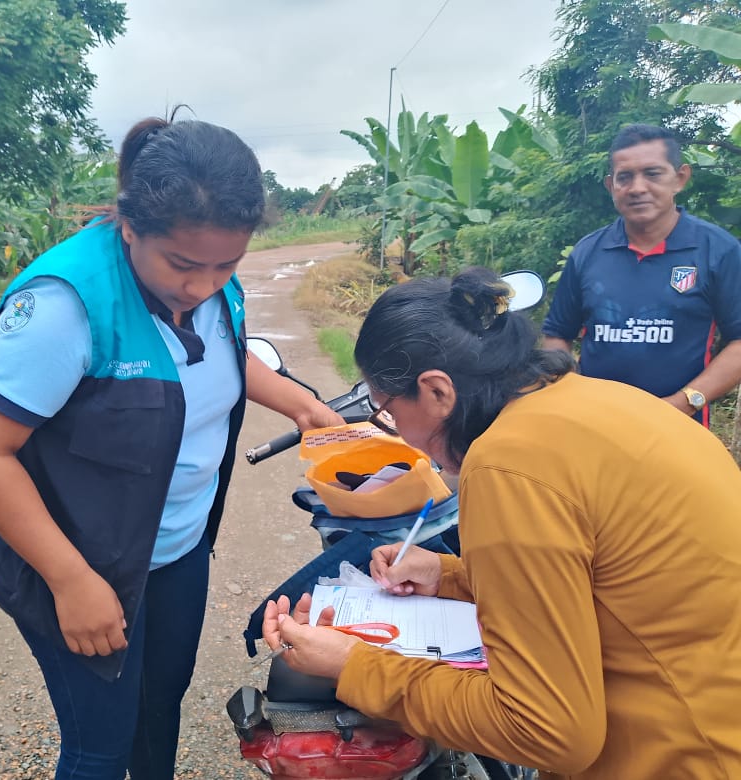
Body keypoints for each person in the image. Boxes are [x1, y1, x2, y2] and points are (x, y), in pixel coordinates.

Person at [0, 115, 343, 780]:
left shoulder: (214, 282)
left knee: (160, 709)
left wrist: (303, 405)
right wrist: (71, 581)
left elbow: (225, 353)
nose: (203, 285)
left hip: (178, 552)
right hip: (83, 563)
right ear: (130, 227)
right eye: (183, 265)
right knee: (99, 748)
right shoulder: (65, 306)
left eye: (226, 265)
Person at [262, 267, 741, 780]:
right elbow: (613, 581)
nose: (398, 433)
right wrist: (449, 576)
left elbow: (548, 731)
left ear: (437, 392)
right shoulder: (610, 402)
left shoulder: (509, 464)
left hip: (681, 757)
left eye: (389, 412)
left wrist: (353, 665)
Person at [542, 123, 741, 427]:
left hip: (678, 427)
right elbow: (557, 335)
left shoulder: (718, 250)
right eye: (625, 177)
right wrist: (569, 394)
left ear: (680, 178)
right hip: (595, 426)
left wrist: (683, 403)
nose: (637, 188)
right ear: (611, 186)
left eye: (652, 173)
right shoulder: (588, 252)